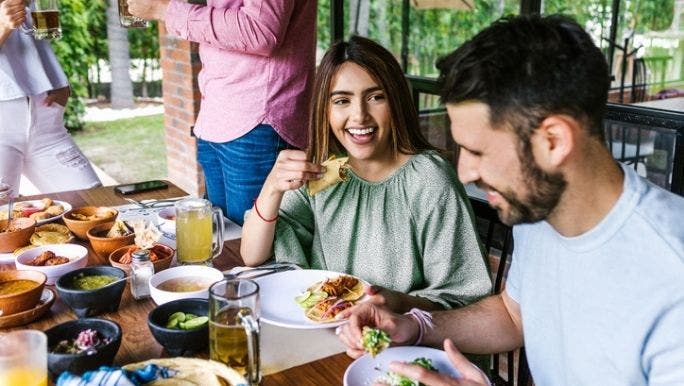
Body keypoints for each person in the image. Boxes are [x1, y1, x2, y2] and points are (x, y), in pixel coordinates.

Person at [337, 15, 684, 385]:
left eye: (477, 151)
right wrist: (415, 325)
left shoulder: (671, 277)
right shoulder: (540, 210)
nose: (465, 173)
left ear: (553, 141)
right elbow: (513, 315)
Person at [240, 35, 491, 312]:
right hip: (326, 328)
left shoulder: (429, 179)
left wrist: (394, 306)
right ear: (325, 109)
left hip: (398, 340)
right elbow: (252, 255)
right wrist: (272, 188)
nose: (359, 115)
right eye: (342, 101)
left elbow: (460, 298)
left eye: (375, 97)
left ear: (396, 102)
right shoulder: (323, 170)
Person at [127, 0, 316, 225]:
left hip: (257, 119)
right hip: (217, 115)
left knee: (255, 250)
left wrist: (164, 9)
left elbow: (261, 30)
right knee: (223, 241)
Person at [0, 0, 101, 194]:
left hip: (47, 127)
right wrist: (2, 27)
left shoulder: (26, 4)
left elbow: (34, 50)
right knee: (5, 218)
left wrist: (62, 84)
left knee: (95, 206)